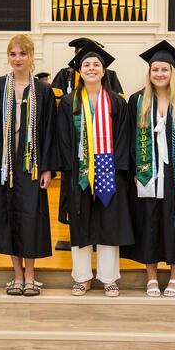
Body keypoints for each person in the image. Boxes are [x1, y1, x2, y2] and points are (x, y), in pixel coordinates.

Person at [121, 41, 175, 297]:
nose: (159, 74)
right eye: (155, 69)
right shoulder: (137, 100)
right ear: (149, 73)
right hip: (148, 173)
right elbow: (128, 138)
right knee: (149, 221)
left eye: (164, 69)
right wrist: (135, 170)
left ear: (173, 72)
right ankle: (151, 276)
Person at [0, 34, 57, 297]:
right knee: (8, 216)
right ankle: (16, 275)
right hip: (4, 163)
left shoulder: (44, 91)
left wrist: (47, 167)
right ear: (8, 57)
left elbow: (49, 132)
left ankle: (31, 275)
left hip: (31, 165)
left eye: (22, 54)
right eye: (13, 54)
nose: (17, 59)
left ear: (31, 56)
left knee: (31, 218)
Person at [57, 40, 134, 297]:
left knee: (108, 223)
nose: (91, 68)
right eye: (86, 64)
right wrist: (71, 169)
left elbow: (124, 138)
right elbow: (63, 139)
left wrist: (118, 171)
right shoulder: (68, 103)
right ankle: (81, 277)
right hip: (78, 172)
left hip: (109, 170)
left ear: (104, 71)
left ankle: (109, 277)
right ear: (79, 71)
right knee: (80, 224)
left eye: (96, 65)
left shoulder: (117, 103)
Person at [52, 37, 124, 230]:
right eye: (81, 56)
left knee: (105, 206)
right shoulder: (64, 75)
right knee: (77, 202)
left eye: (96, 63)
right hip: (78, 149)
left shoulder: (112, 80)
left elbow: (117, 110)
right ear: (76, 58)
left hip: (105, 155)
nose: (91, 68)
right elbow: (56, 103)